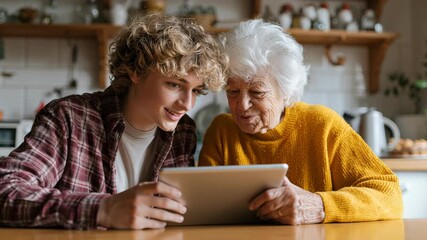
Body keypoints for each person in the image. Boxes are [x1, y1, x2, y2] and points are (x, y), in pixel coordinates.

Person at [0, 13, 227, 229]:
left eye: (196, 90)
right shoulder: (69, 118)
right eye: (175, 84)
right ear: (136, 71)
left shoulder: (183, 131)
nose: (187, 104)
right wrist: (103, 209)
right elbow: (6, 191)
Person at [198, 19, 402, 225]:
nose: (241, 105)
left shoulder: (323, 125)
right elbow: (203, 208)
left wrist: (320, 205)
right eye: (233, 91)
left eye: (257, 92)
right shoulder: (221, 131)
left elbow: (390, 195)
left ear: (286, 92)